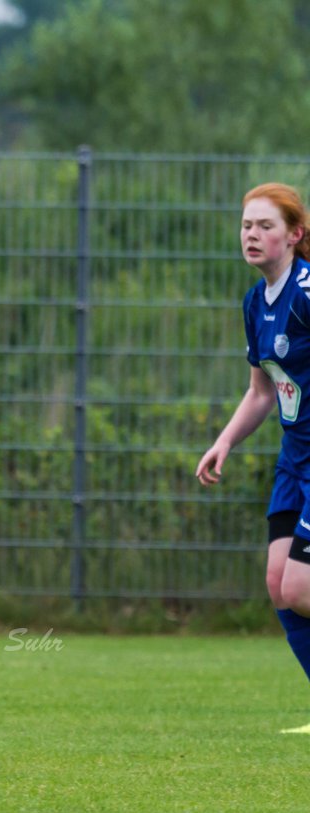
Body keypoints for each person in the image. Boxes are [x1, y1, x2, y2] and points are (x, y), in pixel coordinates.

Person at [196, 182, 310, 714]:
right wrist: (224, 441)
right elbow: (262, 390)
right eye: (247, 225)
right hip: (295, 459)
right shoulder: (253, 303)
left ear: (294, 234)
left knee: (302, 588)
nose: (253, 235)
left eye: (266, 226)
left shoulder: (307, 295)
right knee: (277, 583)